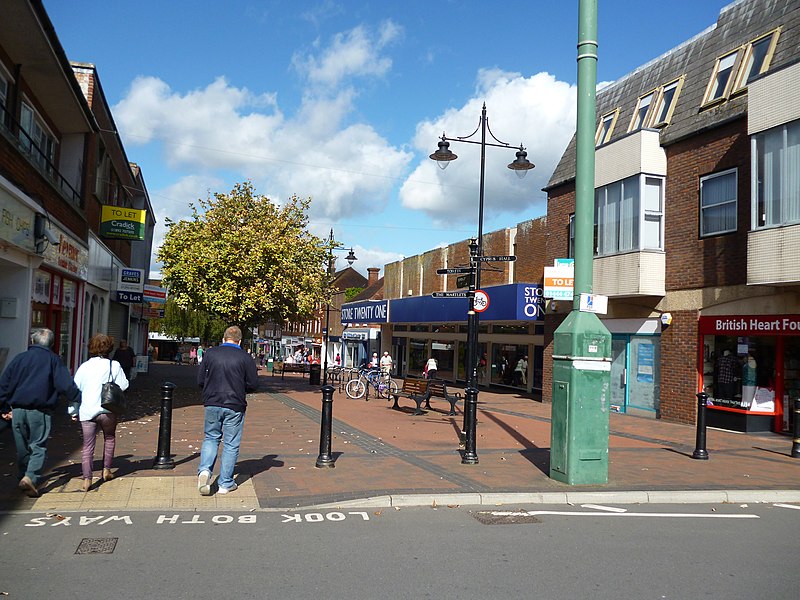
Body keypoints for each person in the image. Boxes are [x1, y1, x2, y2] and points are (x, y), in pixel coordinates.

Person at [0, 328, 81, 497]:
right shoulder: (53, 360)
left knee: (22, 447)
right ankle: (30, 477)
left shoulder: (19, 359)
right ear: (51, 343)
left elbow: (4, 384)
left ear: (33, 341)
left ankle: (23, 475)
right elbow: (65, 385)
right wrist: (79, 397)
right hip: (40, 411)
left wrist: (4, 407)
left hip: (18, 410)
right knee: (38, 446)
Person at [197, 325, 259, 496]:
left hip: (212, 401)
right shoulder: (245, 357)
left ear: (224, 339)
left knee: (211, 437)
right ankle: (225, 483)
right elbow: (253, 384)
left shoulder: (210, 354)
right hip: (234, 403)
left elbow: (200, 379)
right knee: (231, 443)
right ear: (240, 341)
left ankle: (204, 471)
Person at [71, 334, 129, 492]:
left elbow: (75, 391)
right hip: (107, 409)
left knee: (87, 446)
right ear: (109, 348)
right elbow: (124, 385)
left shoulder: (84, 367)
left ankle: (87, 479)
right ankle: (106, 471)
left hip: (87, 410)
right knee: (109, 438)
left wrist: (73, 410)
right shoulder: (114, 365)